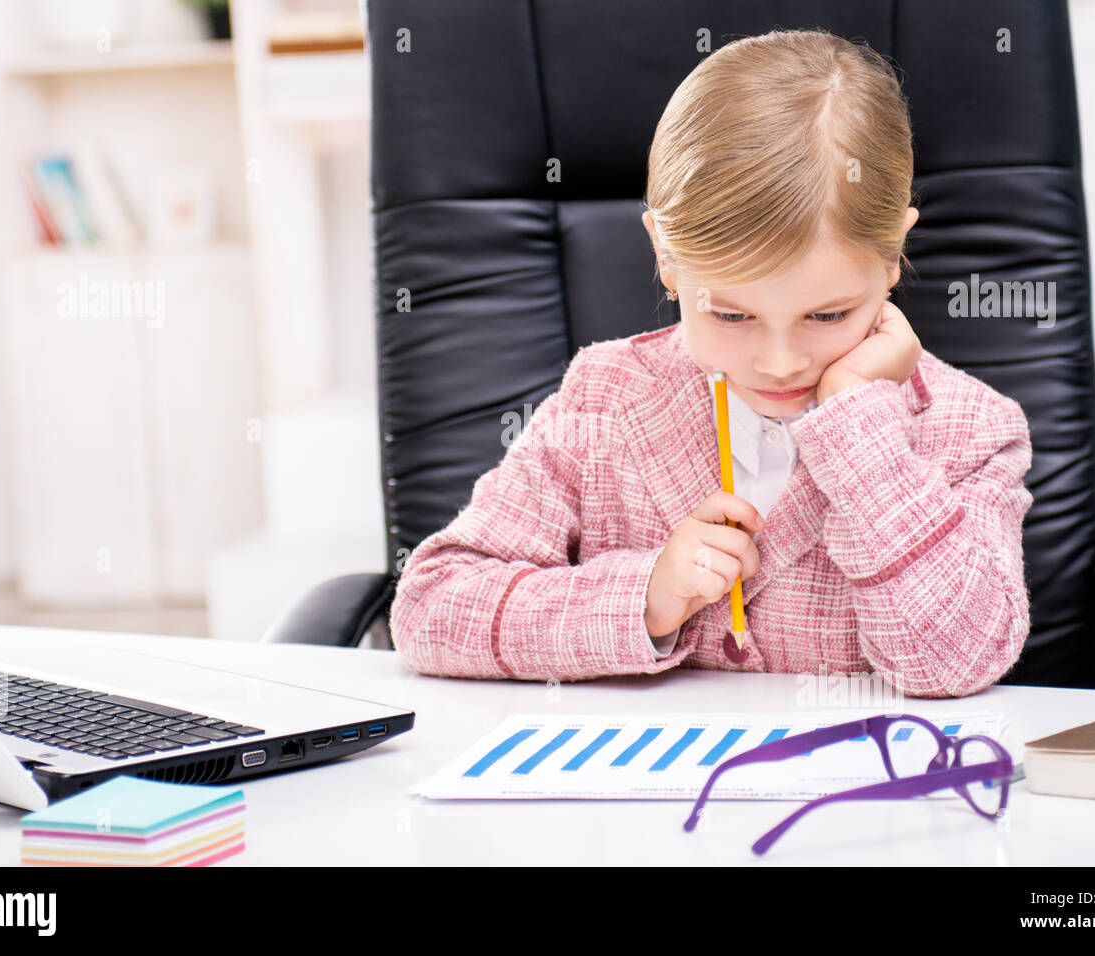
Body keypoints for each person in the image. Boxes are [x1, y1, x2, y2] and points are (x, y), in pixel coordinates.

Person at [388, 28, 1033, 698]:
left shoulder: (970, 430)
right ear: (667, 260)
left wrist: (859, 430)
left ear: (894, 252)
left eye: (827, 316)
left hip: (861, 798)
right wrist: (644, 598)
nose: (781, 362)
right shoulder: (604, 400)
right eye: (731, 316)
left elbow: (957, 659)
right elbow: (431, 608)